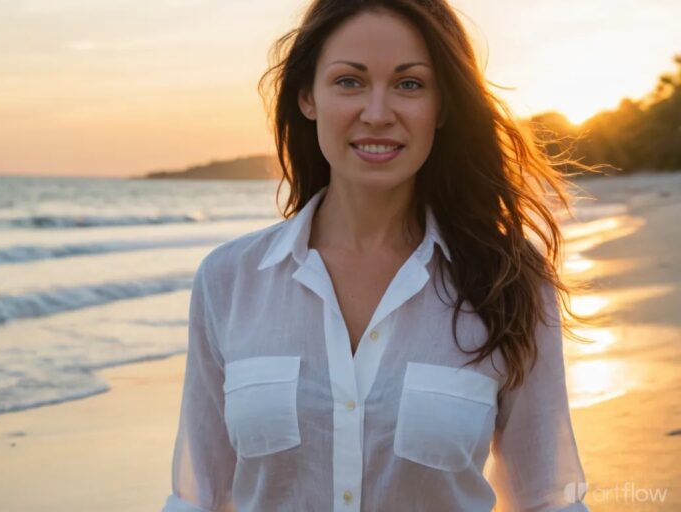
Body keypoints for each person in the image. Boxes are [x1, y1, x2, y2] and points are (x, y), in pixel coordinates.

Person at [163, 1, 596, 510]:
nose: (377, 113)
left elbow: (549, 496)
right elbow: (198, 496)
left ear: (443, 107)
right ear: (308, 97)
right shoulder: (229, 280)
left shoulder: (508, 278)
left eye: (409, 84)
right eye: (350, 81)